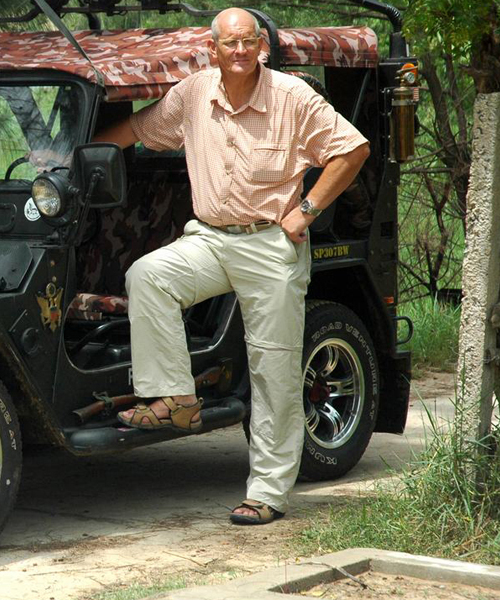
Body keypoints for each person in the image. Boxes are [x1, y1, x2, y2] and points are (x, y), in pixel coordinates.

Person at [93, 8, 370, 524]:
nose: (240, 51)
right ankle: (178, 399)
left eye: (249, 41)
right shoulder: (195, 93)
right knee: (148, 276)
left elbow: (352, 150)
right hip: (210, 238)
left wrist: (305, 212)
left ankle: (266, 493)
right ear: (213, 47)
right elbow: (136, 127)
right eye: (230, 43)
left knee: (274, 369)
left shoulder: (291, 96)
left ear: (261, 45)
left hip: (270, 244)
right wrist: (68, 157)